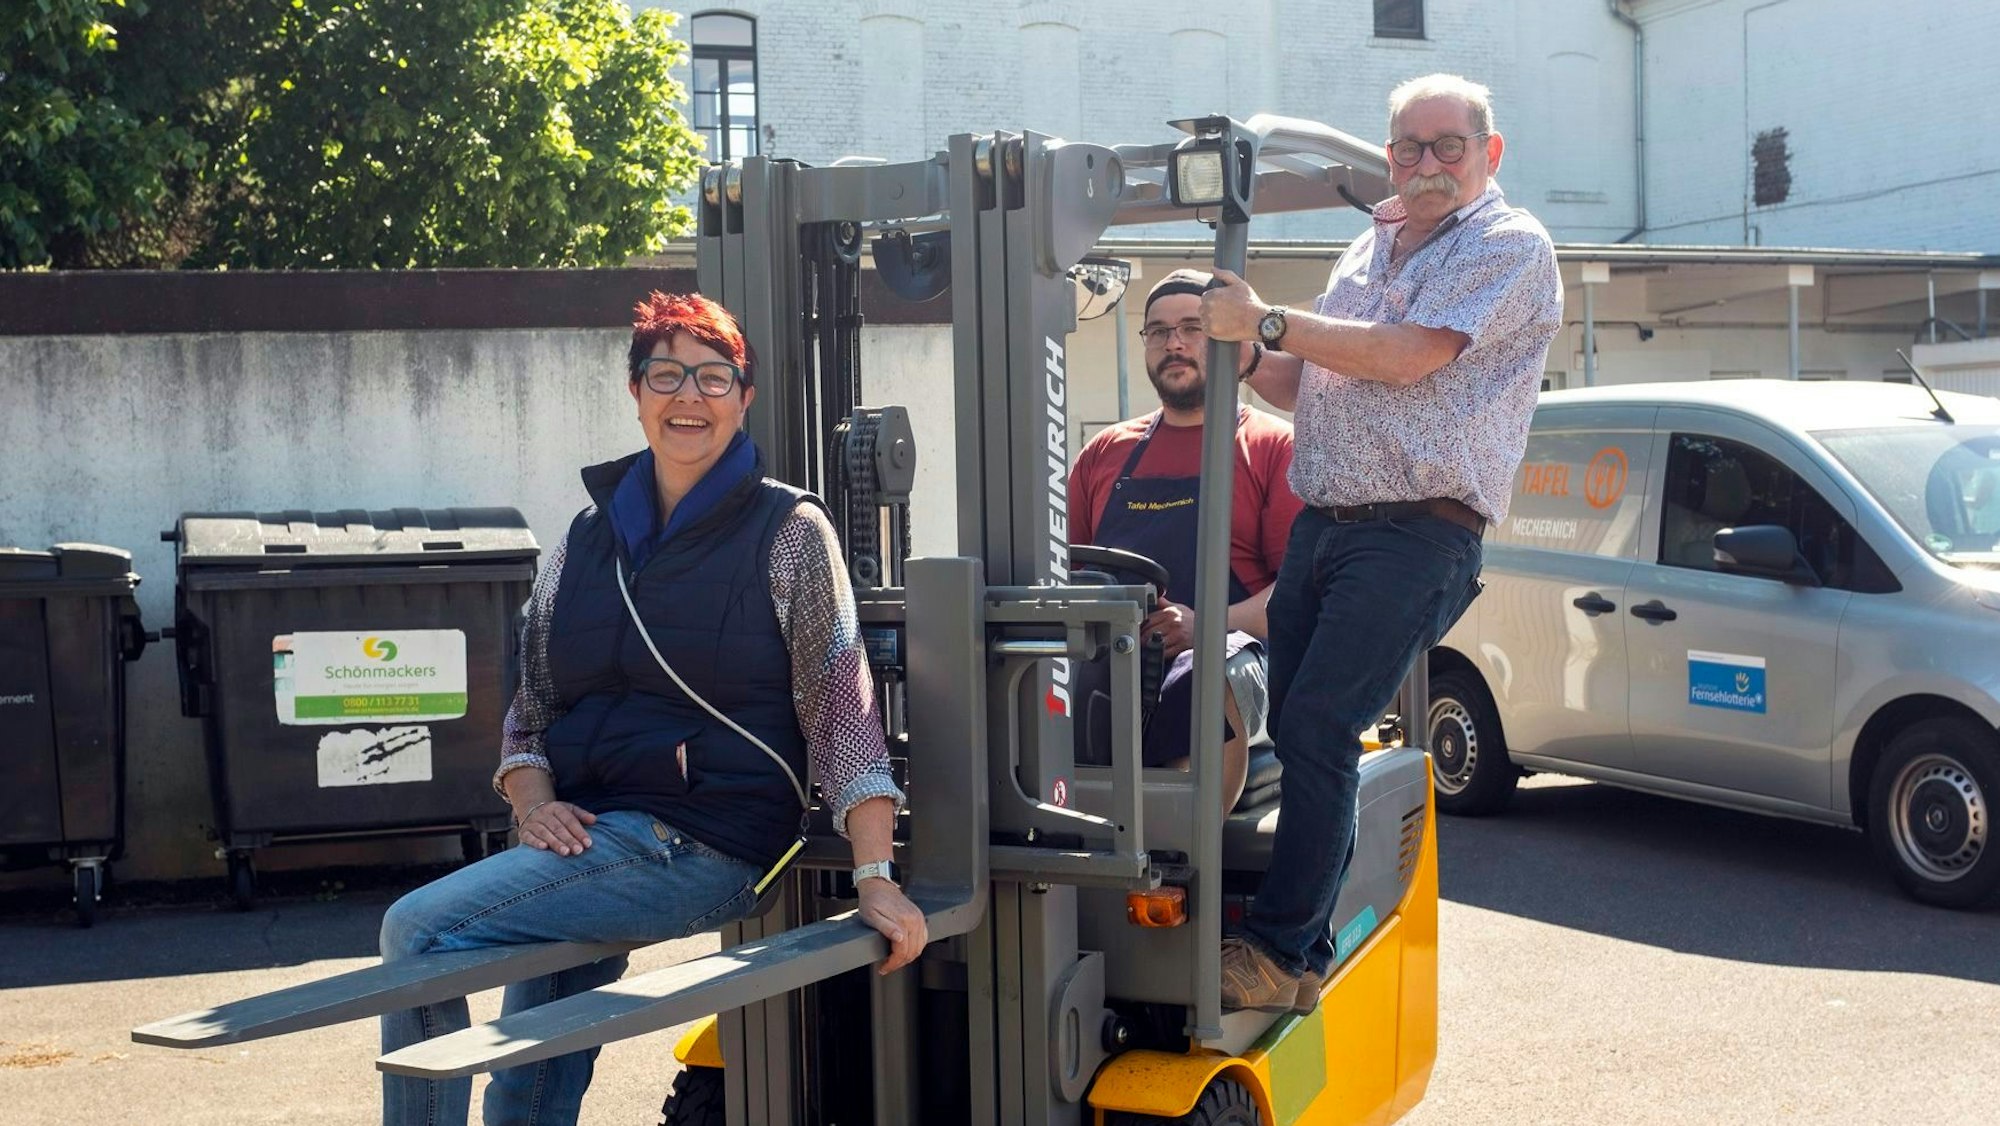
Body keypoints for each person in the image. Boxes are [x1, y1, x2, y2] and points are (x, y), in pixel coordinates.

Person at [377, 291, 926, 1125]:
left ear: (744, 398)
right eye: (666, 375)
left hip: (708, 843)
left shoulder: (790, 530)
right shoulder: (584, 540)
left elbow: (841, 710)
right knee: (532, 1057)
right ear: (636, 393)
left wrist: (875, 877)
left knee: (416, 934)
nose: (689, 397)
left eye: (713, 378)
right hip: (595, 838)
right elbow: (532, 710)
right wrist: (535, 804)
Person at [1198, 73, 1562, 1012]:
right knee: (1297, 724)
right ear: (1389, 153)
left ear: (1491, 151)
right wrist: (1243, 351)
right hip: (1327, 524)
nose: (1429, 165)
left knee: (1320, 723)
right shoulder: (1368, 245)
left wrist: (1269, 319)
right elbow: (1303, 386)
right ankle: (1289, 920)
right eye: (1410, 148)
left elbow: (1405, 358)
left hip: (1418, 532)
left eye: (1449, 146)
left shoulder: (1510, 245)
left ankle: (1286, 953)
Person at [1068, 269, 1303, 811]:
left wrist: (1207, 625)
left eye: (1192, 327)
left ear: (1227, 339)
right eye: (1157, 331)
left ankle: (1188, 865)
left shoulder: (1271, 446)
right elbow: (1060, 574)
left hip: (1232, 657)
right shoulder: (1105, 453)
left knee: (1202, 678)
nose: (1173, 342)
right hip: (1114, 653)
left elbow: (1297, 599)